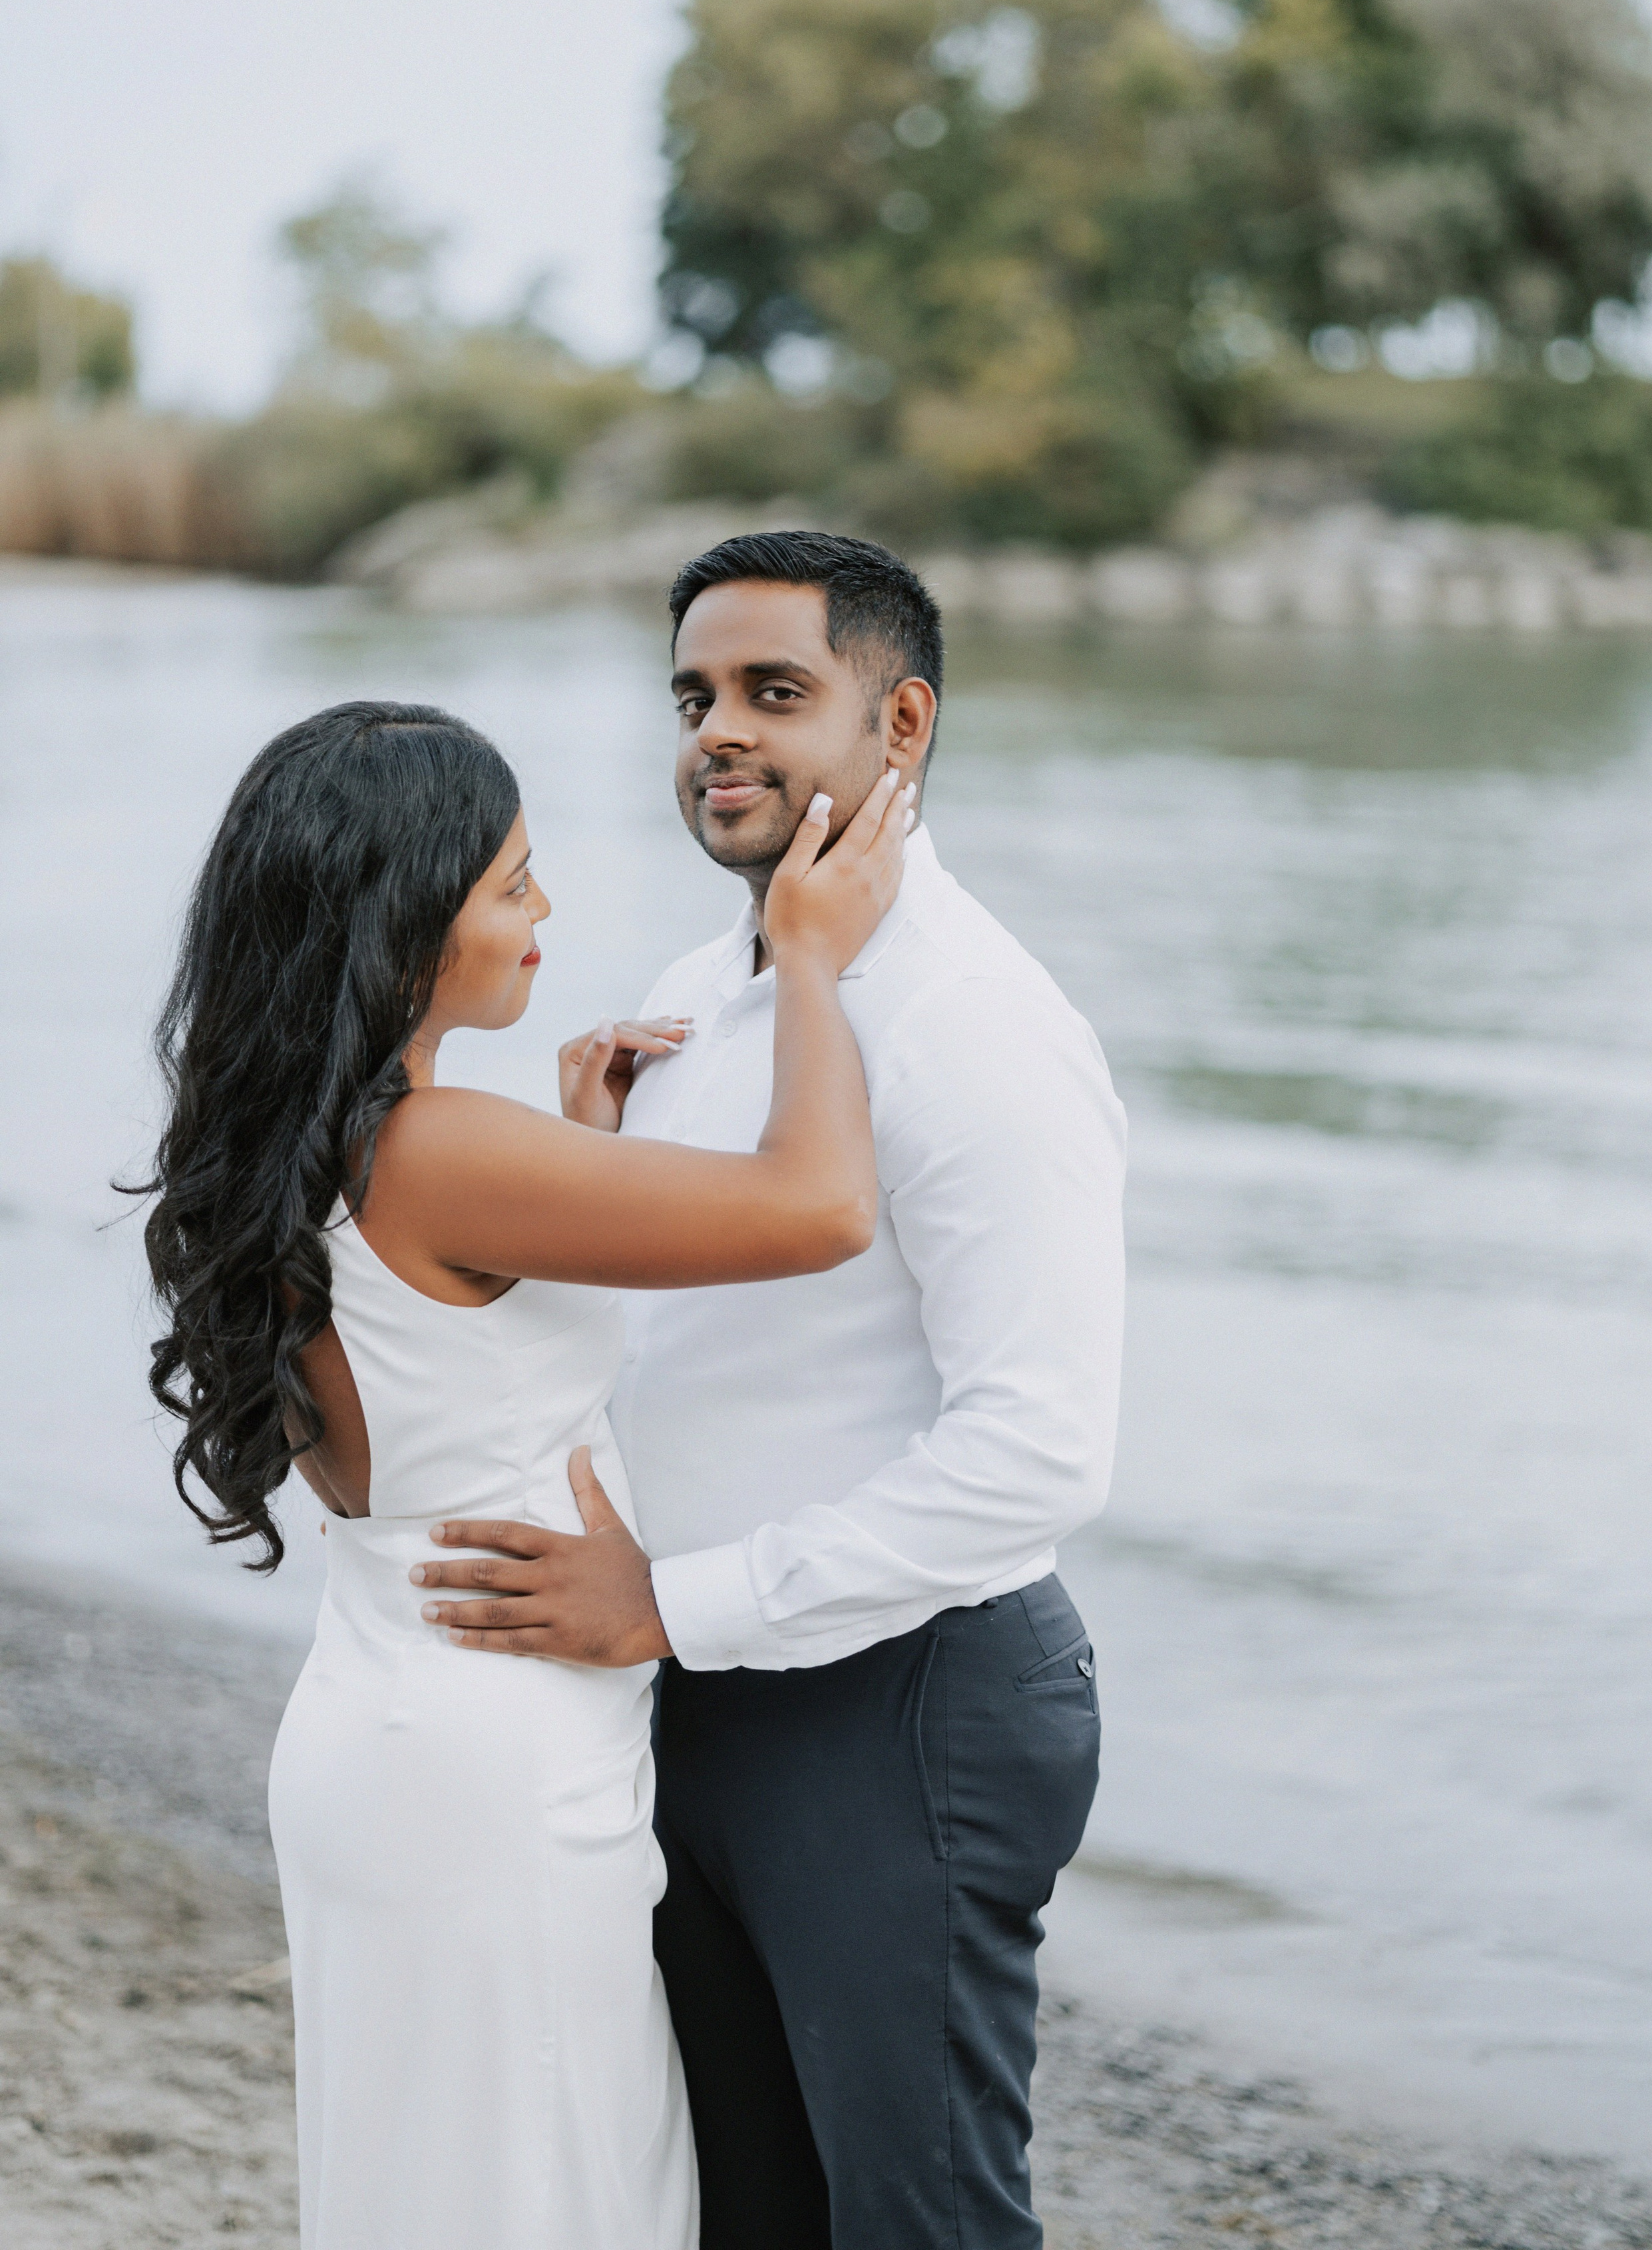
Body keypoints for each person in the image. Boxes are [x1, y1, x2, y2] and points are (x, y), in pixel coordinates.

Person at [411, 532, 1130, 2250]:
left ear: (903, 728)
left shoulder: (973, 1026)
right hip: (697, 1697)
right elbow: (672, 1351)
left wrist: (672, 1601)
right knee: (740, 2213)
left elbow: (1041, 1453)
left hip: (902, 1706)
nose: (717, 734)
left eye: (774, 693)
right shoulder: (688, 997)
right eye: (694, 698)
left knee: (919, 2220)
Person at [137, 696, 911, 2250]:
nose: (542, 912)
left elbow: (446, 1374)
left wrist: (579, 1150)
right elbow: (819, 1208)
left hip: (393, 1716)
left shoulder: (310, 1143)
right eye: (510, 881)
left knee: (449, 2185)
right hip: (488, 1754)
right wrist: (812, 958)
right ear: (404, 925)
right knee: (547, 2184)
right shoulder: (439, 1151)